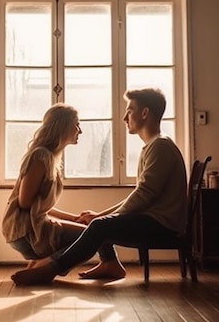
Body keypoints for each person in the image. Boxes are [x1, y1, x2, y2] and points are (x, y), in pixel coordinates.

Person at [10, 87, 188, 285]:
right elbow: (142, 195)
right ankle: (103, 264)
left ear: (145, 113)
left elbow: (143, 195)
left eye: (129, 110)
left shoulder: (160, 146)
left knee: (99, 226)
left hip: (161, 225)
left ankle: (51, 269)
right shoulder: (154, 146)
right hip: (153, 220)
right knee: (98, 224)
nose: (124, 117)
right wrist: (100, 215)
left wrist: (102, 217)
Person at [2, 103, 90, 269]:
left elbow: (39, 206)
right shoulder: (41, 155)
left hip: (31, 227)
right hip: (25, 231)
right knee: (91, 237)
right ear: (63, 126)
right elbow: (25, 202)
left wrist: (73, 218)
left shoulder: (50, 158)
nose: (80, 130)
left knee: (91, 232)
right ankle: (45, 265)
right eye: (77, 124)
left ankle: (40, 265)